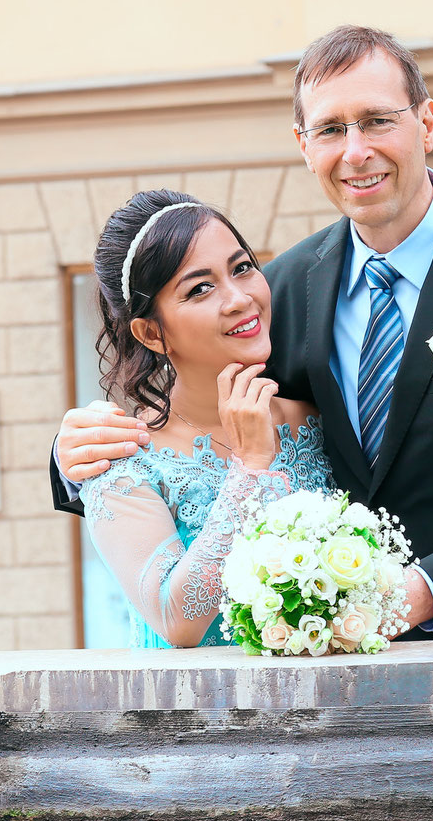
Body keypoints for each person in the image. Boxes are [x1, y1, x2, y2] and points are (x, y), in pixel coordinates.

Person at [55, 24, 433, 640]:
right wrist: (74, 458)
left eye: (378, 120)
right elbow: (200, 412)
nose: (355, 151)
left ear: (427, 123)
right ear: (305, 146)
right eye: (331, 129)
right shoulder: (285, 287)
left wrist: (418, 595)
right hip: (347, 693)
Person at [77, 189, 336, 647]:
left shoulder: (320, 417)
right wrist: (252, 468)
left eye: (242, 268)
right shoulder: (125, 464)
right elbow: (179, 619)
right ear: (151, 332)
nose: (239, 299)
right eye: (200, 288)